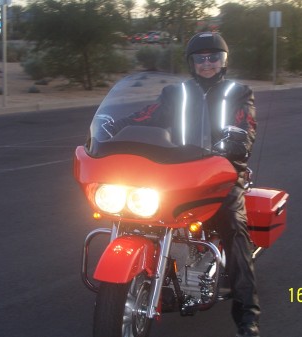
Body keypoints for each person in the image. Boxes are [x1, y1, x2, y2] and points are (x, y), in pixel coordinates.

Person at [103, 32, 260, 337]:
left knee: (235, 231)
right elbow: (146, 116)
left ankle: (247, 319)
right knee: (137, 215)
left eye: (213, 57)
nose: (207, 63)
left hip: (222, 175)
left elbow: (246, 125)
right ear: (191, 63)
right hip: (177, 173)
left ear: (223, 61)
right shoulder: (176, 93)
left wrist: (237, 140)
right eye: (200, 58)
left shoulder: (238, 92)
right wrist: (114, 129)